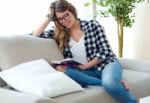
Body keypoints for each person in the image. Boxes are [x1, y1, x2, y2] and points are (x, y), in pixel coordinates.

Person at [33, 0, 136, 102]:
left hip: (106, 64)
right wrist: (48, 18)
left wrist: (86, 66)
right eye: (60, 19)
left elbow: (106, 51)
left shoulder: (92, 25)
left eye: (66, 15)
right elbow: (35, 36)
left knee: (109, 83)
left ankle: (114, 85)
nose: (64, 20)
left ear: (73, 11)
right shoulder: (59, 33)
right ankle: (113, 83)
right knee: (60, 69)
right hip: (84, 71)